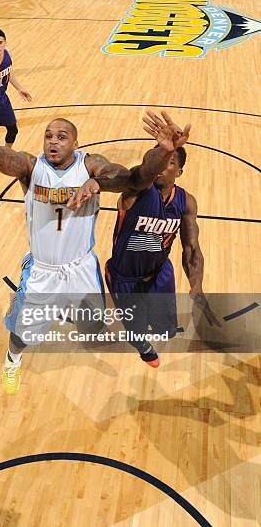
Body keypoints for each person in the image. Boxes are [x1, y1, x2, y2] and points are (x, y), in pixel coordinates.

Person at [0, 85, 187, 394]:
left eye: (61, 136)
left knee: (94, 326)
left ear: (75, 143)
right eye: (48, 136)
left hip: (80, 267)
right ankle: (11, 361)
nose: (53, 141)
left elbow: (134, 178)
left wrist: (159, 153)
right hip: (43, 270)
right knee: (22, 334)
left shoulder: (89, 164)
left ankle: (67, 309)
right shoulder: (31, 168)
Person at [72, 110, 220, 368]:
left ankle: (159, 330)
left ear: (180, 171)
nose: (164, 167)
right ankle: (143, 348)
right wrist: (162, 152)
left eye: (171, 162)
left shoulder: (186, 203)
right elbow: (145, 171)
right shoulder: (136, 192)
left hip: (160, 274)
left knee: (165, 328)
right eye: (162, 161)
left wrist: (196, 287)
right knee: (136, 331)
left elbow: (191, 249)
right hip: (124, 277)